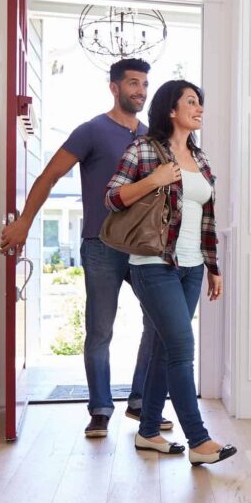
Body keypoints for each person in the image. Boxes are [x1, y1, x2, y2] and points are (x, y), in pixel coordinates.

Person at [0, 58, 173, 438]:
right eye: (132, 83)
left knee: (159, 323)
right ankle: (100, 408)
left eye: (144, 84)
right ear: (114, 87)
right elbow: (48, 176)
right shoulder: (91, 131)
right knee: (99, 330)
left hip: (145, 249)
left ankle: (142, 401)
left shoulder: (151, 138)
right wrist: (25, 222)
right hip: (101, 244)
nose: (140, 91)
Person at [105, 80, 236, 466]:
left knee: (164, 348)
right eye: (192, 102)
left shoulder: (201, 158)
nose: (199, 109)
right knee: (181, 348)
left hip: (192, 268)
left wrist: (213, 268)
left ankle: (147, 432)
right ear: (171, 110)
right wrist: (154, 179)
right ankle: (198, 440)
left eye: (201, 102)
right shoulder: (144, 149)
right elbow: (111, 197)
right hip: (153, 265)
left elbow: (207, 218)